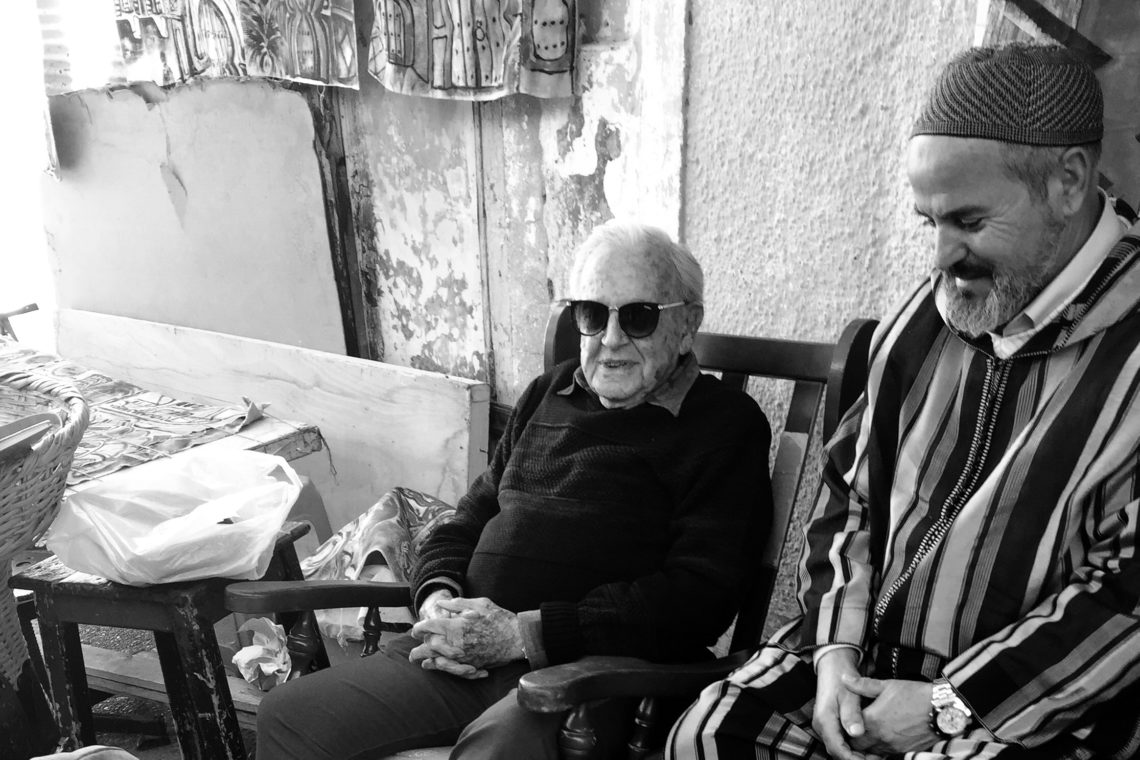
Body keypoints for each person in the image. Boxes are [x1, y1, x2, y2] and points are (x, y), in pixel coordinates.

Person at [668, 42, 1140, 760]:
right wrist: (834, 656)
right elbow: (848, 495)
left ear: (1068, 181)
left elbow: (1127, 599)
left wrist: (952, 705)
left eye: (970, 223)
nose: (941, 258)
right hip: (867, 667)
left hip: (1029, 710)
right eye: (930, 223)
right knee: (712, 732)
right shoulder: (924, 321)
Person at [256, 219, 774, 759]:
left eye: (639, 317)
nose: (612, 338)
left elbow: (699, 595)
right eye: (593, 315)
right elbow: (467, 519)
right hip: (467, 652)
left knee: (498, 747)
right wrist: (438, 600)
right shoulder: (548, 394)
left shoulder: (723, 426)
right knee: (291, 721)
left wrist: (525, 634)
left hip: (595, 680)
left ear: (688, 324)